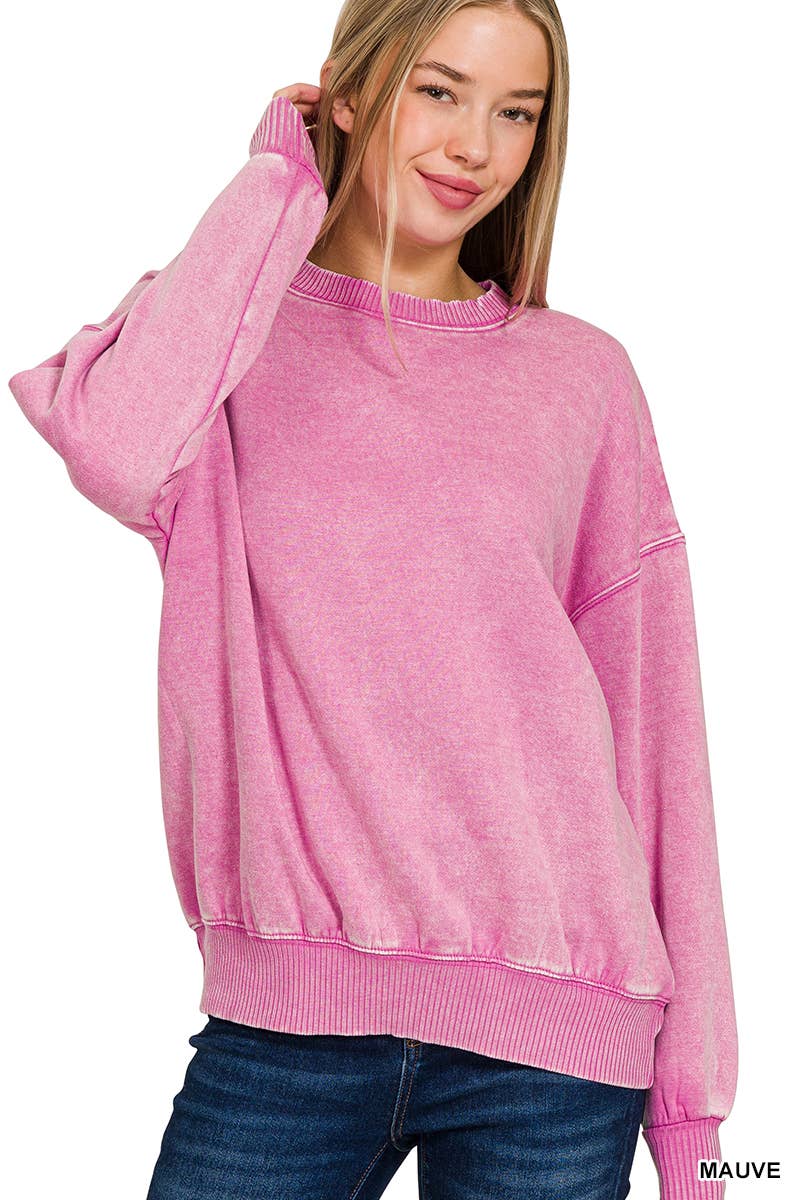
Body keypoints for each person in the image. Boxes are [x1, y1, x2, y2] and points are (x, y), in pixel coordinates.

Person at [8, 0, 738, 1197]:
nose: (474, 147)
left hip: (554, 1050)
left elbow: (657, 735)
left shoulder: (580, 378)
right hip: (283, 1037)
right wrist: (273, 185)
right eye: (437, 91)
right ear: (347, 94)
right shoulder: (221, 348)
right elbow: (117, 450)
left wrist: (696, 1129)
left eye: (516, 113)